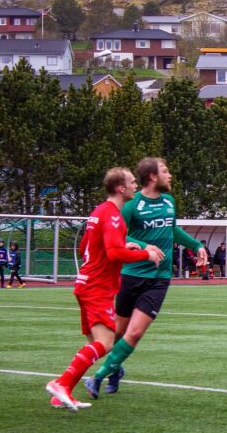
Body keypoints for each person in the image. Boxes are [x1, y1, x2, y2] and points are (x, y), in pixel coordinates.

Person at [84, 157, 207, 399]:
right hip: (131, 275)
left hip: (159, 279)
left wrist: (195, 245)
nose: (169, 175)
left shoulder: (169, 202)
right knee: (117, 333)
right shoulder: (132, 205)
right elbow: (121, 236)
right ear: (152, 176)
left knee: (136, 332)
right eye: (165, 170)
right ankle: (115, 369)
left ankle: (97, 377)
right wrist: (145, 246)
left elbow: (171, 229)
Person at [46, 168, 162, 411]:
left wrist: (123, 244)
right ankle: (62, 384)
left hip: (86, 283)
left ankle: (60, 394)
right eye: (131, 182)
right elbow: (113, 253)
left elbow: (86, 248)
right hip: (97, 287)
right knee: (106, 343)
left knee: (94, 346)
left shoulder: (99, 212)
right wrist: (145, 253)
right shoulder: (113, 216)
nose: (135, 185)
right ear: (120, 188)